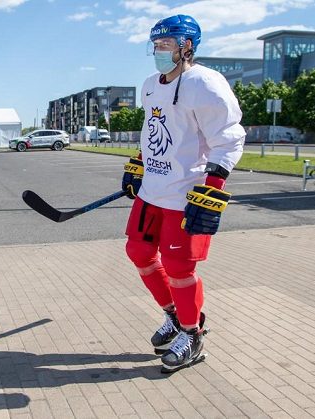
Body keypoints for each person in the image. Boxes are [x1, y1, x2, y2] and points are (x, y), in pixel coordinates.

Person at [121, 14, 245, 373]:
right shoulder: (149, 84)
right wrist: (138, 163)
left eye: (167, 44)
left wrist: (213, 187)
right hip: (152, 192)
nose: (160, 51)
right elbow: (153, 130)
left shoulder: (205, 84)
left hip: (185, 196)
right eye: (156, 45)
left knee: (179, 268)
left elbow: (229, 139)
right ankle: (174, 316)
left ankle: (192, 334)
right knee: (139, 252)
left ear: (187, 46)